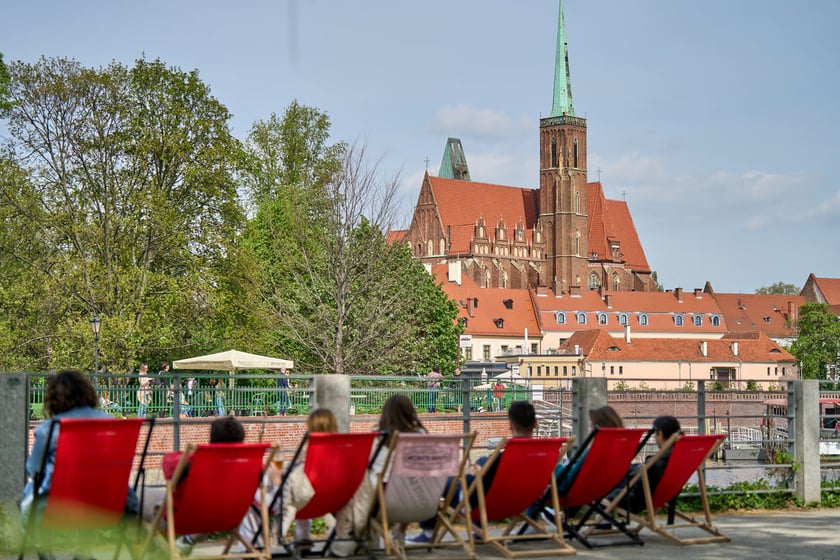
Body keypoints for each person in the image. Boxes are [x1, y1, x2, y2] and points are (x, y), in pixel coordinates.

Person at [411, 400, 536, 544]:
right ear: (535, 423)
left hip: (482, 504)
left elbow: (472, 485)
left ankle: (428, 532)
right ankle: (478, 532)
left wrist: (471, 472)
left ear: (510, 424)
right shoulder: (544, 456)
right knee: (479, 484)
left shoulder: (500, 459)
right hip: (519, 504)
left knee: (435, 479)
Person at [21, 369, 128, 518]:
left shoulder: (49, 429)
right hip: (104, 504)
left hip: (58, 509)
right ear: (87, 392)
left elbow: (33, 470)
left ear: (54, 398)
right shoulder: (110, 423)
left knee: (28, 497)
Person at [331, 395, 427, 556]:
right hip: (419, 498)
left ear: (386, 413)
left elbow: (364, 464)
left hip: (382, 501)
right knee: (408, 481)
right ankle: (399, 533)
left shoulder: (379, 435)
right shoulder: (422, 434)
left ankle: (367, 536)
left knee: (355, 488)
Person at [238, 409, 339, 550]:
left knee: (255, 499)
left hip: (303, 501)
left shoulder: (308, 454)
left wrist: (275, 475)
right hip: (329, 501)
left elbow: (292, 481)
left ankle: (250, 545)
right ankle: (303, 537)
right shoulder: (340, 453)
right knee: (303, 489)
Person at [608, 415, 682, 514]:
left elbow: (639, 488)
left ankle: (603, 520)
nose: (655, 437)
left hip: (635, 501)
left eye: (655, 434)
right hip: (661, 496)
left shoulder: (658, 462)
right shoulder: (677, 458)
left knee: (611, 482)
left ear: (660, 433)